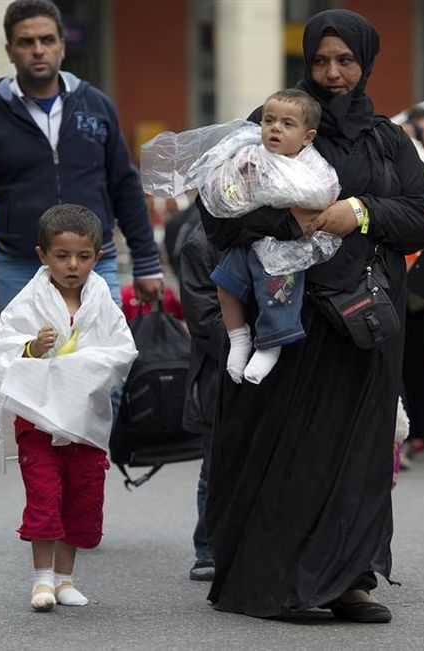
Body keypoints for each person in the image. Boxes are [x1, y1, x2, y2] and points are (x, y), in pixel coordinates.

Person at [200, 9, 424, 623]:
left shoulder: (387, 137)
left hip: (364, 314)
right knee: (288, 447)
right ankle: (274, 583)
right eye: (321, 60)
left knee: (360, 452)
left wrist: (357, 212)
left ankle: (349, 578)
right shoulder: (275, 123)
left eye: (346, 61)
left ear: (365, 64)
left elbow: (420, 213)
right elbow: (217, 216)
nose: (332, 73)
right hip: (291, 314)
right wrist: (293, 223)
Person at [0, 0, 162, 326]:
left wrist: (147, 261)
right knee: (28, 369)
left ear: (62, 46)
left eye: (47, 40)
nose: (38, 50)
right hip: (19, 265)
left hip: (95, 264)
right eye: (26, 42)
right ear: (10, 50)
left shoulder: (96, 106)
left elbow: (125, 184)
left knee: (104, 370)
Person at [0, 204, 137, 612]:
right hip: (39, 421)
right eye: (62, 256)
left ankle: (66, 579)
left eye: (83, 257)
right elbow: (1, 349)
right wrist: (32, 348)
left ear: (97, 258)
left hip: (84, 422)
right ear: (42, 256)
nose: (72, 266)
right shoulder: (28, 302)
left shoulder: (102, 301)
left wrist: (80, 365)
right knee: (45, 497)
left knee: (81, 498)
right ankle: (41, 580)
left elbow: (121, 351)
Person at [205, 88, 340, 385]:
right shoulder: (251, 154)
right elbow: (227, 189)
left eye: (287, 124)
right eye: (269, 121)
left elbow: (320, 193)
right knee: (224, 283)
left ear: (308, 136)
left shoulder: (313, 166)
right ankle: (238, 336)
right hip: (248, 239)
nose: (275, 128)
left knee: (277, 296)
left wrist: (266, 193)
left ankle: (270, 345)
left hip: (286, 248)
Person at [171, 204, 224, 581]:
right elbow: (204, 318)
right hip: (219, 370)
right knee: (215, 463)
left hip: (267, 363)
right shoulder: (200, 241)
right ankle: (206, 546)